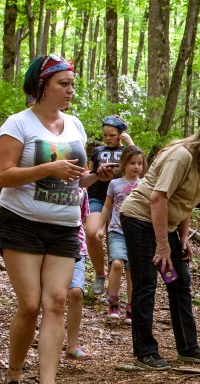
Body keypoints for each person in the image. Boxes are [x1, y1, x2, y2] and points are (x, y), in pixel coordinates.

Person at [0, 54, 90, 384]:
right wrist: (47, 167)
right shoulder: (18, 124)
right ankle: (14, 375)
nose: (70, 90)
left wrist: (97, 177)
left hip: (65, 226)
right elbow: (3, 176)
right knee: (31, 304)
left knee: (56, 302)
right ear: (42, 85)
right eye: (62, 84)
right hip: (22, 222)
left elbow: (76, 177)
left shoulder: (76, 125)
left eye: (71, 84)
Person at [120, 113, 200, 370]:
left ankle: (187, 346)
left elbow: (185, 203)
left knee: (178, 281)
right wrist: (162, 245)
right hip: (140, 221)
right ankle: (145, 352)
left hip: (164, 226)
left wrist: (183, 237)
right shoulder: (181, 156)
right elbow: (158, 198)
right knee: (146, 283)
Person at [84, 115, 134, 296]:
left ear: (120, 134)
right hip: (97, 197)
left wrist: (130, 143)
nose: (107, 138)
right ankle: (99, 274)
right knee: (92, 233)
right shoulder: (97, 151)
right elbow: (88, 174)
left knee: (114, 243)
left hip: (121, 202)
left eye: (112, 135)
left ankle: (113, 290)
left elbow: (139, 166)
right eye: (105, 135)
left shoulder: (128, 151)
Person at [99, 145, 145, 322]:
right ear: (124, 164)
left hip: (137, 233)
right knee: (117, 264)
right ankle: (113, 302)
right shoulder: (114, 184)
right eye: (132, 163)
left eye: (139, 163)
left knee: (132, 271)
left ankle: (131, 306)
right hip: (117, 231)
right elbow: (107, 206)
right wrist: (101, 227)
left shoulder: (144, 185)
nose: (136, 167)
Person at [65, 186, 92, 359]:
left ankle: (72, 345)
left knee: (76, 293)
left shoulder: (82, 189)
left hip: (77, 246)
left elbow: (83, 217)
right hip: (49, 246)